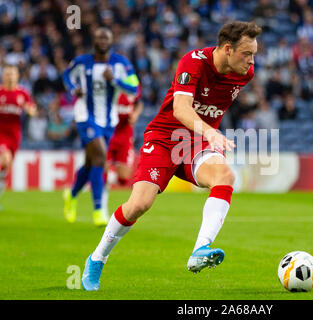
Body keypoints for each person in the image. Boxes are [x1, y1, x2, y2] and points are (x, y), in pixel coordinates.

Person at [81, 21, 262, 291]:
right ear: (227, 49)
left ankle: (201, 249)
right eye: (247, 54)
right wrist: (210, 132)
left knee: (225, 175)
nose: (252, 61)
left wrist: (206, 134)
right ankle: (97, 258)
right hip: (165, 138)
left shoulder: (244, 73)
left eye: (254, 54)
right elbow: (180, 109)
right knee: (139, 204)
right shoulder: (193, 62)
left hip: (197, 142)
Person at [62, 28, 139, 226]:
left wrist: (114, 80)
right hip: (85, 116)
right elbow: (66, 75)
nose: (103, 40)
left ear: (111, 41)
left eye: (106, 37)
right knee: (100, 157)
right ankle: (98, 210)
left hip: (109, 120)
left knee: (90, 164)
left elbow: (134, 88)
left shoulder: (121, 63)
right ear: (94, 40)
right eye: (99, 37)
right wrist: (73, 89)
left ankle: (71, 196)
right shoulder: (82, 62)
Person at [102, 85, 143, 216]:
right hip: (108, 133)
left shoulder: (133, 84)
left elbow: (139, 103)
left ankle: (104, 177)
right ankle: (101, 209)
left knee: (124, 179)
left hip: (125, 135)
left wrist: (136, 114)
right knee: (103, 173)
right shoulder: (110, 84)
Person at [0, 64, 36, 209]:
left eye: (12, 74)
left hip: (14, 136)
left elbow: (32, 110)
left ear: (17, 76)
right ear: (3, 76)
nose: (9, 77)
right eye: (7, 74)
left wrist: (30, 110)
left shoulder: (23, 93)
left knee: (6, 167)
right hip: (0, 133)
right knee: (4, 158)